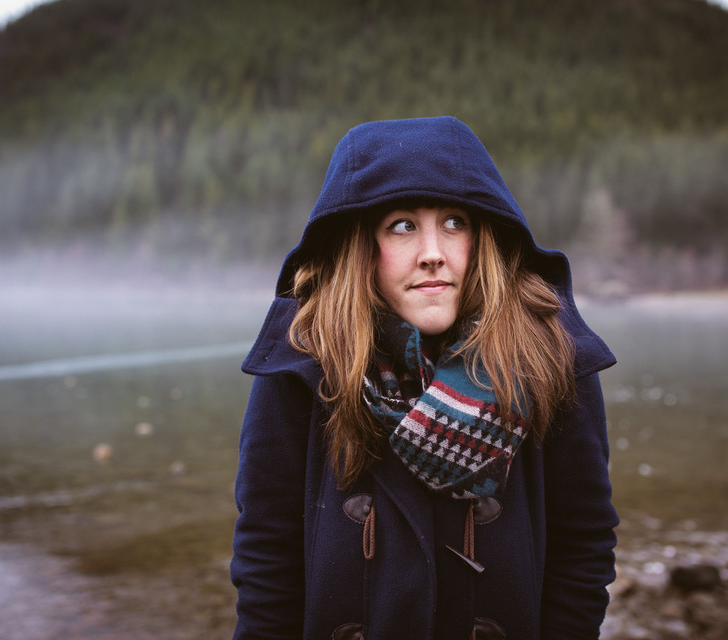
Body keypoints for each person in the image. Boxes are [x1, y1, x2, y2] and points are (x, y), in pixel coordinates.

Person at [232, 116, 618, 640]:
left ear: (485, 237)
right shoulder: (303, 364)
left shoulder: (549, 358)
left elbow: (583, 548)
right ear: (359, 246)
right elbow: (267, 560)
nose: (433, 251)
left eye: (455, 222)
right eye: (403, 225)